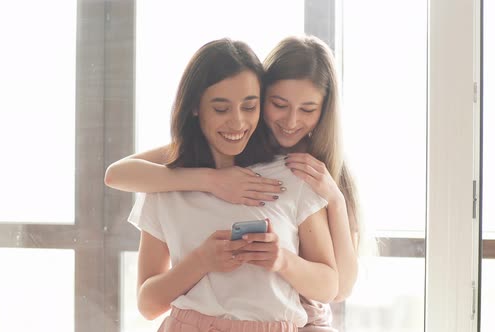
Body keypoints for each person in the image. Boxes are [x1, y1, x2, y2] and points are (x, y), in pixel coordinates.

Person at [105, 35, 360, 331]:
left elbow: (336, 287)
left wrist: (285, 254)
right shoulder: (166, 181)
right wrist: (211, 188)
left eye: (248, 107)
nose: (237, 122)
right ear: (195, 107)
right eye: (221, 108)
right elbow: (148, 304)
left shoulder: (301, 175)